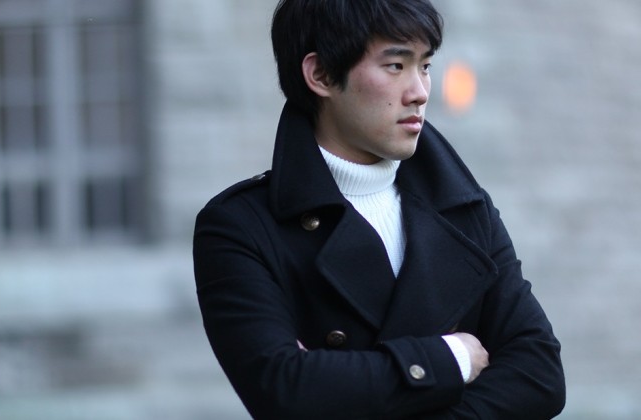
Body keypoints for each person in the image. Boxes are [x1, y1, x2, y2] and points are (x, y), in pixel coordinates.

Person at [192, 0, 566, 418]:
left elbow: (540, 375)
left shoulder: (462, 206)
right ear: (321, 75)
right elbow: (286, 390)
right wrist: (452, 358)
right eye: (395, 66)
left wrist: (342, 378)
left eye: (424, 65)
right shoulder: (240, 227)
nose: (420, 92)